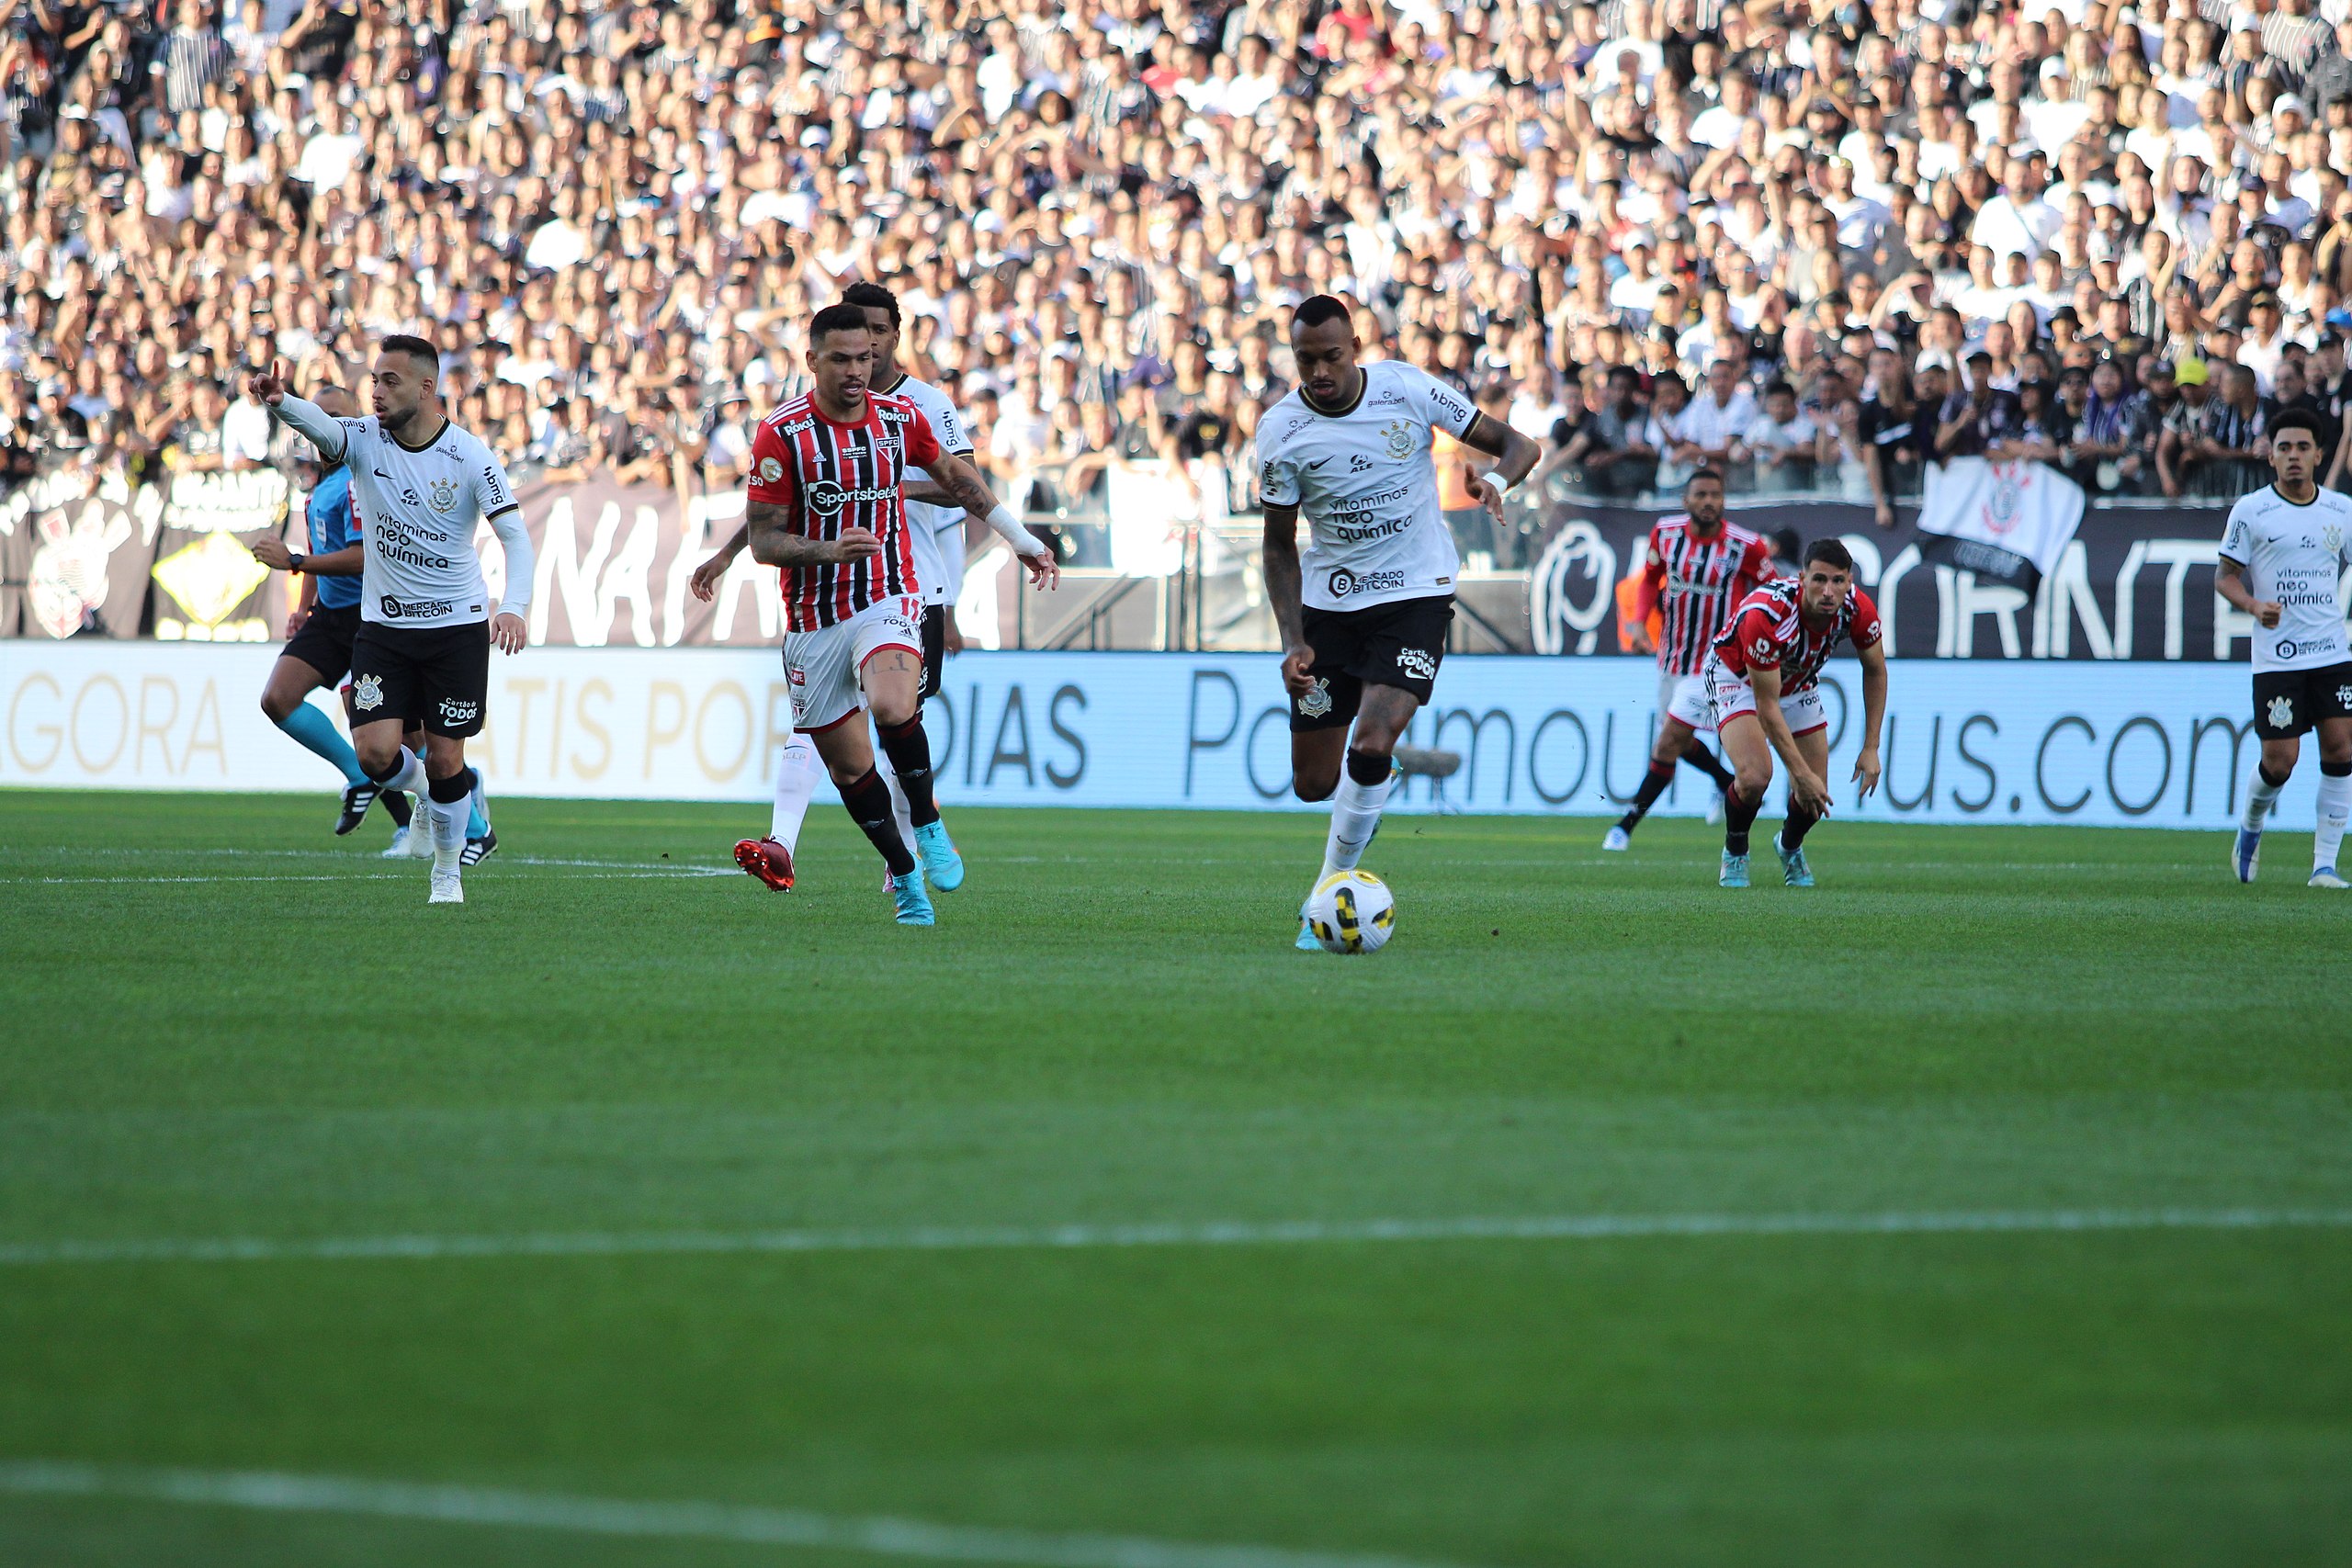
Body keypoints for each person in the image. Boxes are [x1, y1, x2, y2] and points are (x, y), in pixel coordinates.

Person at [693, 283, 1055, 893]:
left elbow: (961, 479)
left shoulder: (918, 409)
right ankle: (891, 859)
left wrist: (1018, 538)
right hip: (815, 609)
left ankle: (921, 833)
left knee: (893, 707)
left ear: (891, 336)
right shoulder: (784, 431)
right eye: (847, 351)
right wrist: (731, 555)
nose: (862, 359)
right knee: (844, 749)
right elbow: (771, 522)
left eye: (872, 342)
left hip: (904, 586)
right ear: (818, 356)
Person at [1258, 294, 1540, 951]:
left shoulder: (1407, 389)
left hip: (1415, 591)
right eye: (1306, 359)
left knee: (1372, 739)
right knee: (1314, 784)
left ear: (1355, 346)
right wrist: (1293, 639)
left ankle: (1323, 897)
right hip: (1331, 605)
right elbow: (1277, 544)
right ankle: (1376, 784)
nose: (1320, 371)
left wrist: (1498, 483)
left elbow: (1517, 445)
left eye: (1331, 356)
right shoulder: (1281, 432)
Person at [245, 337, 534, 906]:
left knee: (448, 756)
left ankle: (446, 873)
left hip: (457, 629)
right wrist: (280, 402)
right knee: (377, 754)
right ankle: (431, 797)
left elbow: (516, 538)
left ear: (427, 388)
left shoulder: (469, 455)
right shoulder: (363, 442)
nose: (376, 392)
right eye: (374, 380)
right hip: (384, 627)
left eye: (390, 382)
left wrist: (515, 608)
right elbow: (322, 428)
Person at [2215, 408, 2352, 887]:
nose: (2293, 456)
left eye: (2302, 448)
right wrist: (2253, 606)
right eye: (2284, 448)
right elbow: (2224, 577)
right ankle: (2250, 830)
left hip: (2333, 653)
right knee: (2281, 762)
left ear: (2319, 454)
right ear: (2271, 456)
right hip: (2278, 657)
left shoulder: (2341, 510)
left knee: (2340, 749)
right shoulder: (2252, 511)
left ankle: (2324, 866)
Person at [1702, 539, 1889, 889]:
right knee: (1757, 776)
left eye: (1837, 581)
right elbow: (1767, 708)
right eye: (1819, 579)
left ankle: (1789, 847)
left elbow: (1876, 670)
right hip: (1737, 678)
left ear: (1850, 582)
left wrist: (1871, 747)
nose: (1828, 591)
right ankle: (1736, 848)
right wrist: (1798, 773)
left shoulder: (1859, 610)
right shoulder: (1766, 616)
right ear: (1802, 578)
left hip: (1797, 681)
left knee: (1814, 800)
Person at [1603, 469, 1770, 852]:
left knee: (1668, 743)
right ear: (1686, 500)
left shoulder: (1747, 546)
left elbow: (1769, 593)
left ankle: (1625, 826)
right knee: (1674, 739)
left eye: (1715, 494)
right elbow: (1649, 578)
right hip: (1673, 658)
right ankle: (1728, 783)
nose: (1709, 501)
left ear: (1724, 500)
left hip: (1719, 665)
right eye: (1701, 494)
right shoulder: (1665, 534)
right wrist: (1637, 620)